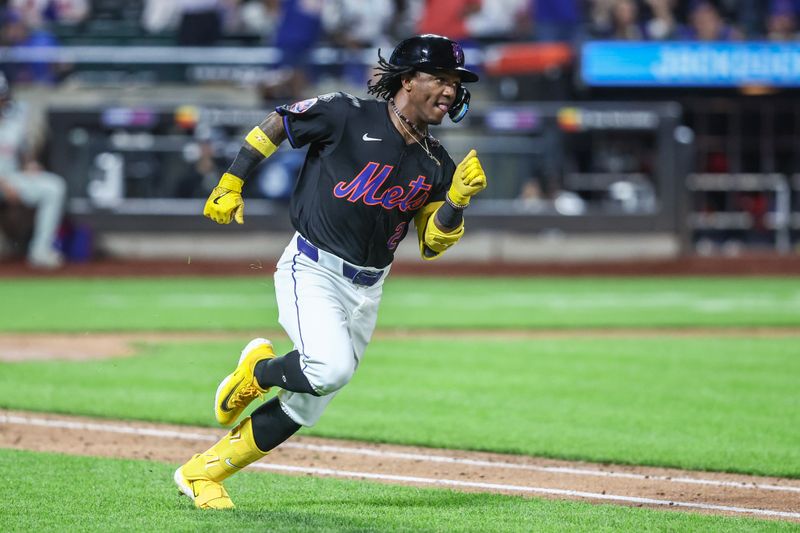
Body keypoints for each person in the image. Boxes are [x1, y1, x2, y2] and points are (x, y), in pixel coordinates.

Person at [174, 33, 488, 510]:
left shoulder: (436, 161)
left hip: (369, 288)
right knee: (329, 367)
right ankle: (259, 373)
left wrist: (458, 203)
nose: (451, 90)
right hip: (313, 267)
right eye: (441, 78)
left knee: (308, 402)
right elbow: (278, 124)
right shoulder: (347, 113)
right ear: (408, 79)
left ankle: (203, 472)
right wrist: (232, 178)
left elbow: (432, 242)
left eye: (455, 82)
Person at [0, 72, 66, 269]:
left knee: (54, 187)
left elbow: (24, 150)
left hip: (12, 177)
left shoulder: (15, 117)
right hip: (4, 182)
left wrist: (30, 164)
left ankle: (40, 251)